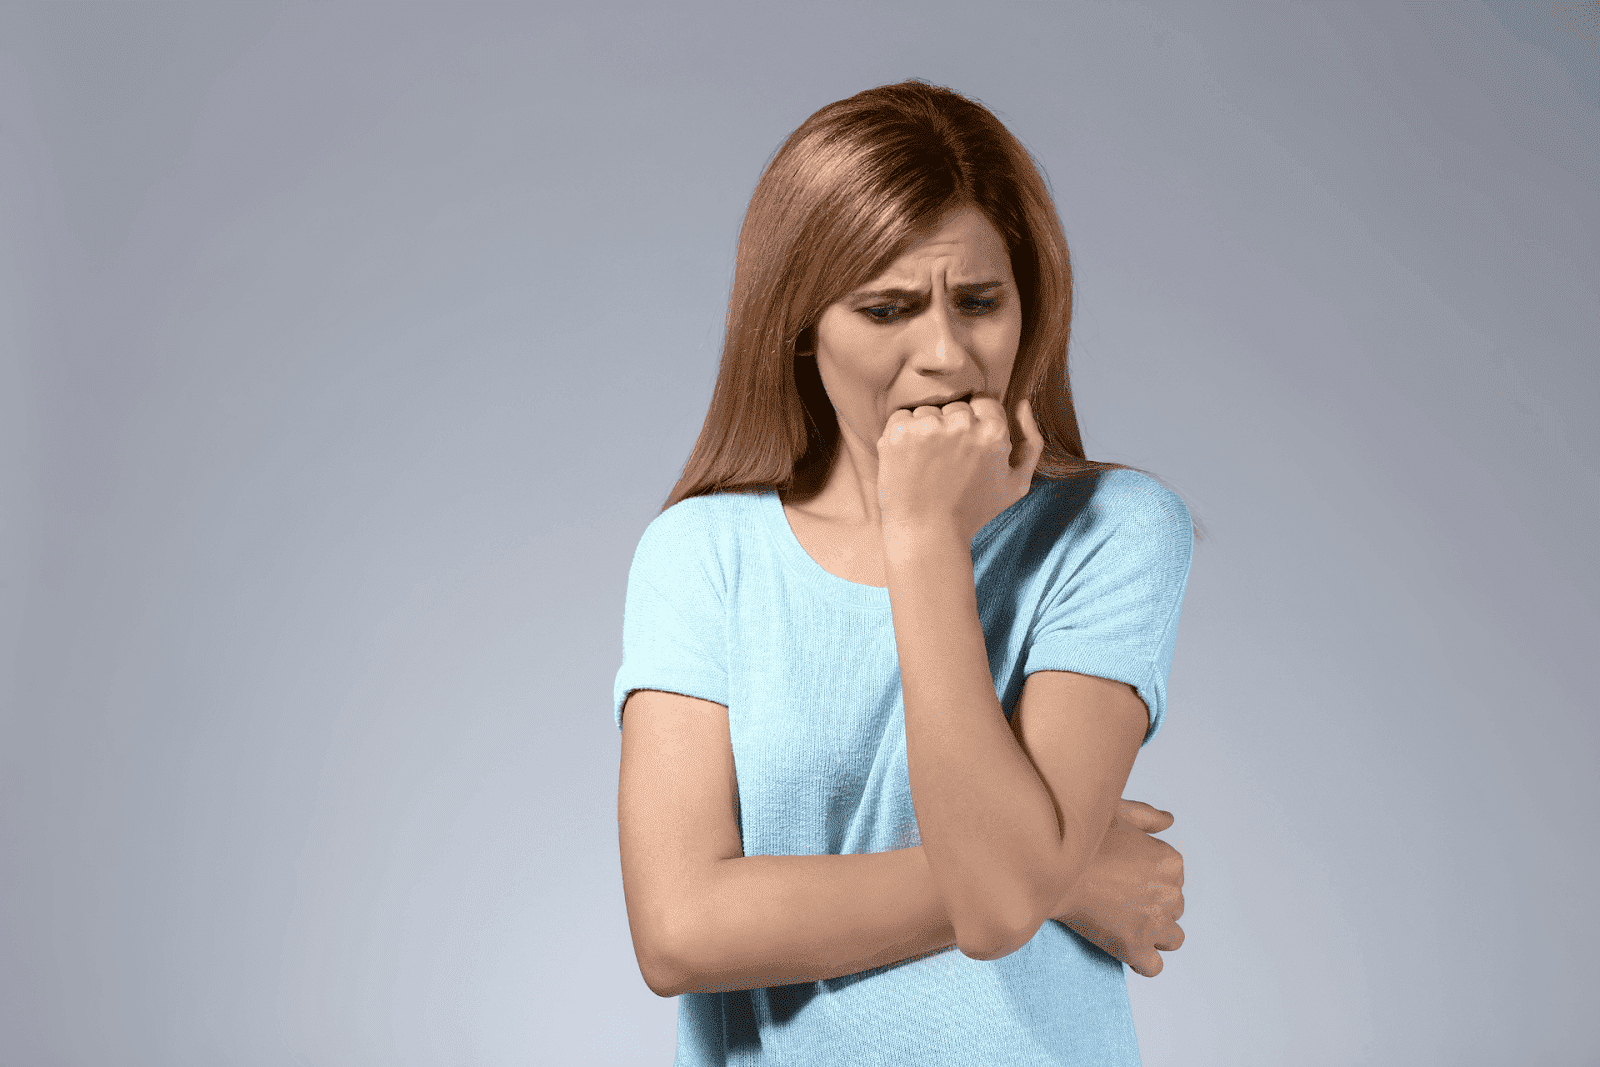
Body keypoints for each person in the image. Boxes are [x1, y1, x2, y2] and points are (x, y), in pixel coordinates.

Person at [613, 79, 1193, 1066]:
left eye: (979, 302)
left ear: (1030, 306)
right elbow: (678, 928)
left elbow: (1003, 897)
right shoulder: (700, 555)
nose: (945, 352)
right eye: (886, 308)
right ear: (801, 325)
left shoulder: (1112, 530)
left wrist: (922, 539)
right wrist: (1071, 874)